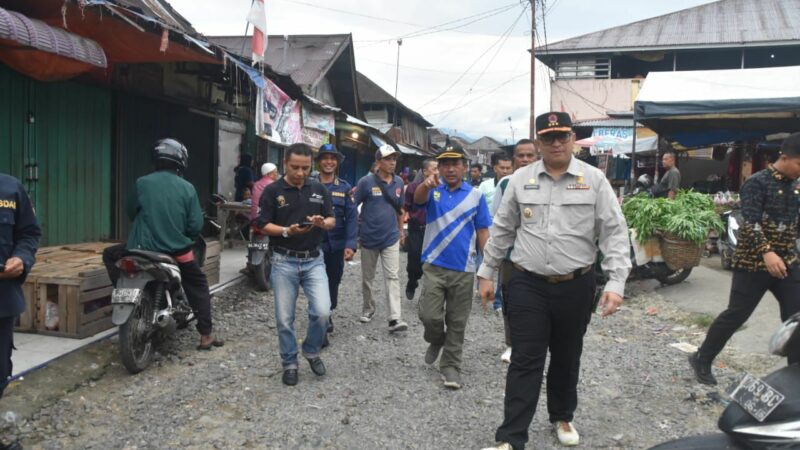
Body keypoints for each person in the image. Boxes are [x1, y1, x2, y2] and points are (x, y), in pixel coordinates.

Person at [478, 112, 631, 450]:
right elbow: (502, 229)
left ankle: (562, 415)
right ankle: (511, 438)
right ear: (539, 143)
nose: (557, 143)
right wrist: (486, 272)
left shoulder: (594, 180)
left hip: (576, 284)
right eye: (549, 138)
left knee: (566, 355)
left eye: (563, 136)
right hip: (527, 283)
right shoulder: (521, 179)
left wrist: (616, 282)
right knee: (525, 359)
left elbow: (614, 232)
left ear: (572, 138)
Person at [689, 133, 800, 386]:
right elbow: (750, 222)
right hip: (753, 263)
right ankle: (702, 358)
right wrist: (767, 252)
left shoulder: (796, 187)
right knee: (737, 314)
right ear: (784, 157)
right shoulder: (757, 183)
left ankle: (795, 375)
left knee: (796, 319)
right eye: (799, 164)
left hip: (787, 263)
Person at [103, 139, 223, 351]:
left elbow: (131, 211)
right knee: (197, 285)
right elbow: (195, 226)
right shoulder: (187, 188)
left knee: (109, 254)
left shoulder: (142, 183)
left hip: (140, 249)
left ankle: (124, 293)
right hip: (176, 252)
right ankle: (206, 336)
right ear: (181, 160)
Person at [256, 143, 335, 386]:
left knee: (322, 312)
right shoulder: (272, 191)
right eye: (295, 167)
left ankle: (311, 350)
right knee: (284, 318)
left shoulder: (319, 188)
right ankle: (289, 362)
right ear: (285, 164)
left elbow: (332, 220)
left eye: (305, 168)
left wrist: (322, 223)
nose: (300, 173)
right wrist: (286, 231)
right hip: (283, 261)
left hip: (314, 261)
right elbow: (262, 224)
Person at [414, 145, 491, 389]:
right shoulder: (432, 190)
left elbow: (482, 231)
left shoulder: (476, 196)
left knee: (457, 321)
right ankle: (436, 338)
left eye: (455, 164)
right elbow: (417, 200)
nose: (450, 169)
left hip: (464, 268)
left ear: (464, 167)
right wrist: (425, 185)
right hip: (434, 264)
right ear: (438, 168)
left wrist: (488, 268)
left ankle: (450, 366)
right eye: (445, 164)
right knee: (429, 315)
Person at [492, 139, 539, 363]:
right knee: (510, 301)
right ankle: (511, 344)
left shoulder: (549, 182)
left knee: (537, 303)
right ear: (514, 159)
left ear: (537, 157)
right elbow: (496, 220)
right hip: (511, 256)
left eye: (530, 155)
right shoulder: (505, 184)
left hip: (539, 256)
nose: (525, 160)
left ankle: (535, 344)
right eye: (521, 156)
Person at [0, 173, 40, 435]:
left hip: (2, 302)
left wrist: (21, 259)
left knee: (1, 371)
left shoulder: (10, 188)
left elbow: (29, 233)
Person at [354, 144, 408, 332]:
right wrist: (355, 232)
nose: (392, 162)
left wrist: (401, 231)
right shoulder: (365, 182)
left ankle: (395, 318)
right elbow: (353, 206)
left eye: (394, 159)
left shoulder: (399, 182)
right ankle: (368, 308)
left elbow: (400, 209)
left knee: (393, 276)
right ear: (378, 162)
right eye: (388, 159)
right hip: (369, 237)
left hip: (391, 237)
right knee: (367, 277)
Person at [312, 144, 357, 345]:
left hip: (336, 245)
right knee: (315, 281)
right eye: (325, 158)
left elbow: (352, 218)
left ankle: (328, 311)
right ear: (319, 161)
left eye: (333, 158)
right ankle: (319, 323)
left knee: (333, 279)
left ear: (337, 162)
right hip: (313, 244)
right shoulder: (309, 184)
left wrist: (350, 244)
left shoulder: (345, 188)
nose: (329, 162)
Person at [403, 158, 438, 300]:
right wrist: (401, 230)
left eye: (438, 168)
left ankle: (431, 296)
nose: (437, 171)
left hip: (435, 231)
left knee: (432, 264)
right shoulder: (412, 187)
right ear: (425, 171)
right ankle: (412, 282)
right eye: (434, 168)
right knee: (414, 261)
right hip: (417, 229)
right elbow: (405, 208)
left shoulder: (442, 187)